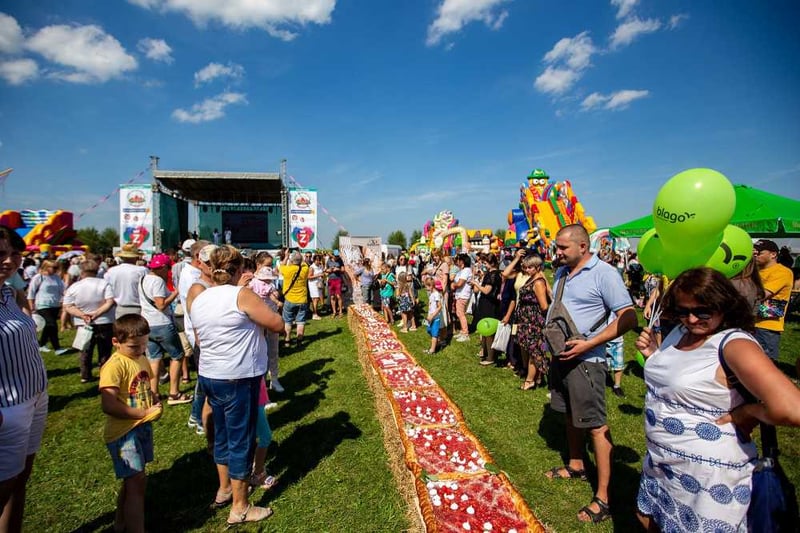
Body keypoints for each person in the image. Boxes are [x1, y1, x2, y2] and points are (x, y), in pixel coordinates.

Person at [634, 267, 800, 531]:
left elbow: (792, 408)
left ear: (724, 305)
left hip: (707, 479)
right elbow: (683, 381)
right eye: (682, 310)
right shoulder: (681, 331)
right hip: (663, 464)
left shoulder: (734, 344)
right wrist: (655, 354)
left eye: (702, 311)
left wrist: (747, 413)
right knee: (649, 520)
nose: (691, 318)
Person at [544, 224, 636, 524]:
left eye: (563, 247)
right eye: (557, 247)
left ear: (583, 246)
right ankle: (576, 464)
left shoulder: (604, 273)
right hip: (562, 357)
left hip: (587, 361)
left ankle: (604, 498)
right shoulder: (561, 273)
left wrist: (590, 343)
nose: (557, 252)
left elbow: (628, 317)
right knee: (570, 413)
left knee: (596, 426)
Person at [190, 245, 284, 526]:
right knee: (241, 440)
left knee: (221, 435)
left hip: (211, 374)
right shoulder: (241, 295)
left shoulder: (201, 297)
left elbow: (200, 335)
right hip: (238, 376)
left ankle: (224, 489)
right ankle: (240, 507)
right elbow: (277, 323)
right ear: (240, 269)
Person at [0, 226, 49, 533]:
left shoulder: (9, 293)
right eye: (0, 254)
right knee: (4, 485)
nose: (9, 260)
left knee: (20, 481)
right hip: (7, 407)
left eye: (14, 253)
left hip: (34, 396)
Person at [99, 314, 163, 533]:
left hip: (140, 427)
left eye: (144, 344)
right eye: (134, 346)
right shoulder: (114, 366)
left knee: (133, 481)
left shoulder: (140, 358)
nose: (141, 349)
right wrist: (143, 413)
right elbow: (108, 404)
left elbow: (145, 385)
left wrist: (154, 399)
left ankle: (120, 524)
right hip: (123, 433)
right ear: (116, 342)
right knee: (136, 483)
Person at [138, 254, 190, 405]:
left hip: (147, 324)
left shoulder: (143, 278)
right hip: (161, 323)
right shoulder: (158, 281)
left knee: (154, 359)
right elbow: (161, 305)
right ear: (162, 268)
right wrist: (175, 293)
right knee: (177, 356)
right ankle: (174, 393)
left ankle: (154, 393)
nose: (169, 271)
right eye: (167, 268)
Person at [62, 260, 116, 383]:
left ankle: (85, 374)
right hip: (104, 321)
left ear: (81, 271)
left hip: (83, 322)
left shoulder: (74, 286)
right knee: (105, 350)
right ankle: (104, 373)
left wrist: (82, 315)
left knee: (85, 350)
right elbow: (110, 301)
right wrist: (97, 313)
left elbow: (67, 305)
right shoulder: (104, 284)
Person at [511, 254, 550, 388]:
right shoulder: (532, 278)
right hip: (526, 319)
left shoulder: (538, 282)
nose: (527, 270)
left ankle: (530, 380)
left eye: (530, 267)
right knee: (528, 348)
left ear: (538, 267)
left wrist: (537, 320)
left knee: (534, 350)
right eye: (526, 267)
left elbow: (544, 305)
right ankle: (537, 376)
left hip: (533, 321)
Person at [250, 266, 284, 393]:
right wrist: (277, 301)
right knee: (259, 352)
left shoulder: (269, 285)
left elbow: (273, 295)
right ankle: (261, 383)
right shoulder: (253, 284)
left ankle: (274, 379)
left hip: (271, 317)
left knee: (273, 350)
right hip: (258, 319)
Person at [26, 259, 67, 354]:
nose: (55, 269)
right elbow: (31, 292)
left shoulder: (56, 277)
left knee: (48, 326)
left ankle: (42, 344)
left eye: (56, 267)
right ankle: (57, 348)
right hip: (42, 304)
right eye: (54, 267)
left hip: (55, 305)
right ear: (46, 267)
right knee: (52, 325)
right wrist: (31, 306)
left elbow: (62, 290)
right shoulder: (38, 277)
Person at [471, 254, 503, 366]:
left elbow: (486, 291)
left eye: (485, 263)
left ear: (492, 263)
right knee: (485, 330)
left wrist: (476, 283)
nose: (484, 265)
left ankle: (490, 356)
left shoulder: (493, 275)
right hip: (488, 304)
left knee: (488, 331)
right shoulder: (495, 273)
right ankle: (485, 351)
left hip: (489, 305)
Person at [104, 244, 147, 319]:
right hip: (139, 307)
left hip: (118, 307)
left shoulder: (111, 271)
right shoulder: (142, 270)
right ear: (136, 257)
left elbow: (107, 291)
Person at [278, 251, 310, 348]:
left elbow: (281, 266)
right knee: (301, 321)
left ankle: (287, 341)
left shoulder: (287, 269)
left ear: (291, 261)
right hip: (302, 299)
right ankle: (299, 341)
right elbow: (304, 262)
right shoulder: (305, 269)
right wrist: (300, 256)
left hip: (289, 299)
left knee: (287, 321)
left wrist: (286, 256)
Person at [451, 253, 473, 342]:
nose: (457, 261)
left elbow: (460, 283)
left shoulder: (466, 270)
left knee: (461, 314)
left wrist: (454, 285)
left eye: (458, 260)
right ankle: (462, 330)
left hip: (463, 295)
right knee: (459, 313)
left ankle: (465, 333)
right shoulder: (463, 270)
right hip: (460, 294)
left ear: (462, 261)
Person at [423, 278, 443, 354]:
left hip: (435, 318)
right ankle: (438, 342)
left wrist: (432, 315)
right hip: (430, 317)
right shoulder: (431, 293)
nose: (426, 288)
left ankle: (432, 350)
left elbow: (439, 307)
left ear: (431, 286)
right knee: (429, 330)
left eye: (426, 287)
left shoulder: (436, 294)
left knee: (434, 334)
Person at [325, 250, 345, 318]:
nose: (337, 257)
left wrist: (338, 269)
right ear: (333, 255)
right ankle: (334, 312)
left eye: (338, 256)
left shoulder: (340, 260)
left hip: (338, 280)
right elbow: (325, 270)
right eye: (336, 256)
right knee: (332, 297)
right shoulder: (328, 261)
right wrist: (329, 270)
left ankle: (340, 312)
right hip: (331, 280)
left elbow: (343, 270)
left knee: (338, 296)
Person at [307, 254, 324, 320]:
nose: (318, 261)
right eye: (316, 260)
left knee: (316, 299)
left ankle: (315, 312)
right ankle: (314, 314)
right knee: (315, 299)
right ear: (314, 260)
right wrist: (318, 275)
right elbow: (309, 277)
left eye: (319, 260)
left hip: (319, 284)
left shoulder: (320, 266)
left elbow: (321, 273)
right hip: (313, 284)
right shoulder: (312, 267)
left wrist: (322, 275)